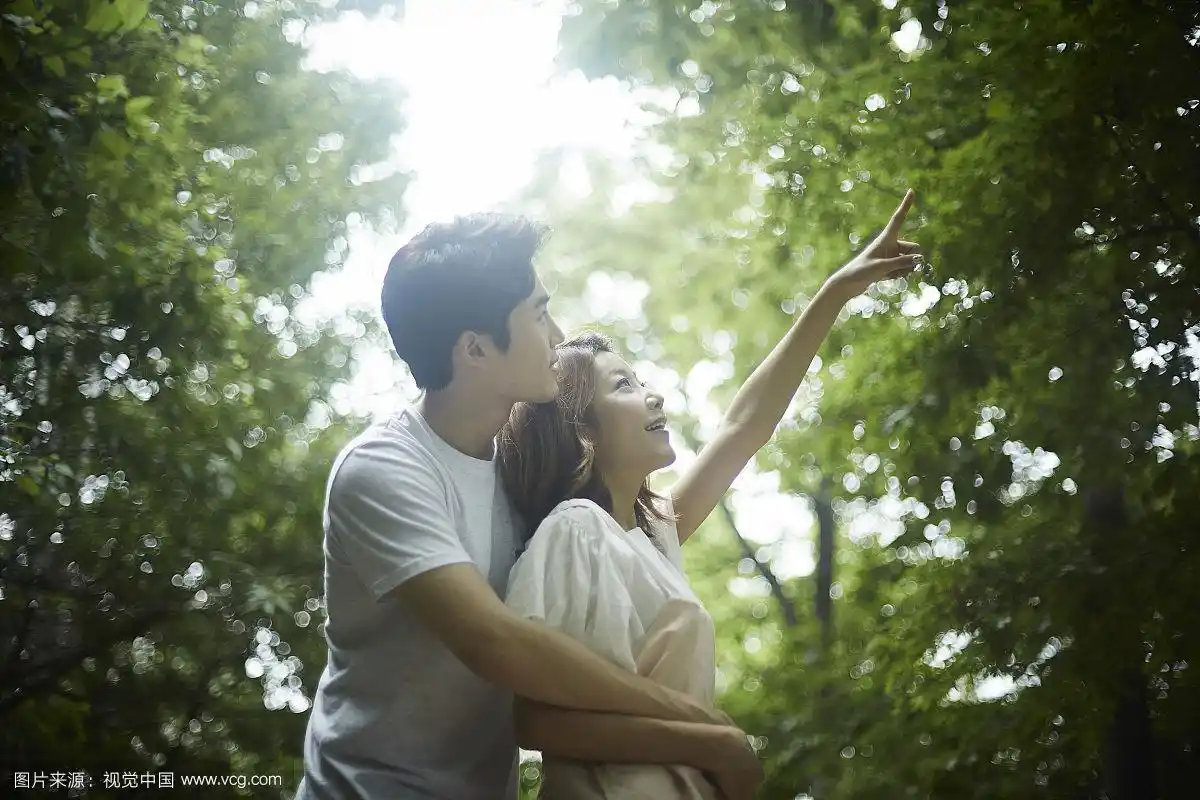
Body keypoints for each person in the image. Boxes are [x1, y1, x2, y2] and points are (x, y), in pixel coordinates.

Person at [295, 215, 763, 800]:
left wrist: (838, 290)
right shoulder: (386, 469)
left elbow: (737, 437)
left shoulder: (528, 484)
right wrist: (704, 731)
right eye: (539, 315)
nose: (557, 334)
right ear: (475, 348)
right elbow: (495, 641)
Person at [497, 191, 922, 798]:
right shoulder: (574, 530)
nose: (653, 395)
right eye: (623, 385)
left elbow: (743, 427)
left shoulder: (650, 537)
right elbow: (533, 720)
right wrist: (709, 742)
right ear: (581, 428)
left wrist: (836, 292)